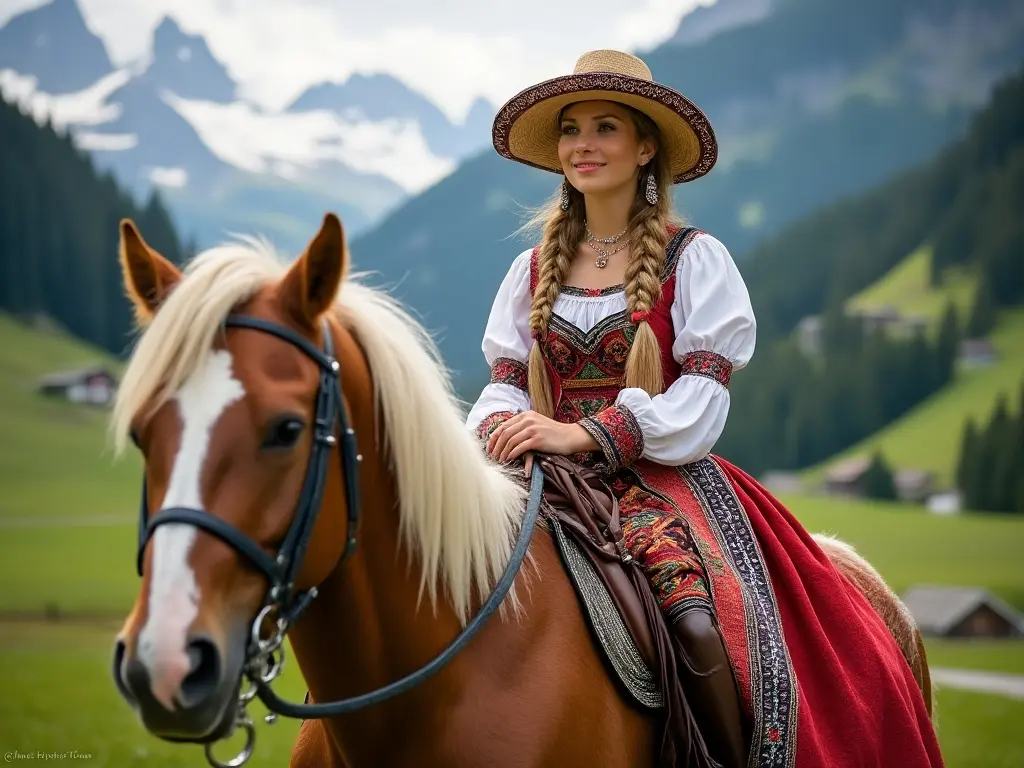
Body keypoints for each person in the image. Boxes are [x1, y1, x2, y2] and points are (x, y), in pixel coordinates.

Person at [466, 50, 945, 768]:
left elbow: (702, 398)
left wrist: (587, 434)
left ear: (646, 146)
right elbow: (503, 382)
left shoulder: (695, 259)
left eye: (605, 128)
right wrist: (500, 430)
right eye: (571, 129)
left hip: (657, 476)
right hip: (538, 474)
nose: (583, 145)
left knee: (694, 616)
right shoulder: (528, 270)